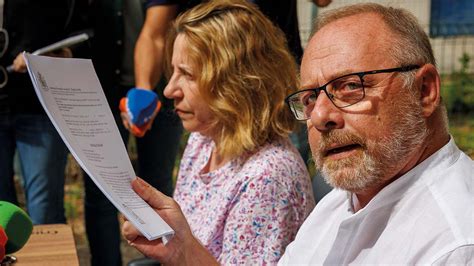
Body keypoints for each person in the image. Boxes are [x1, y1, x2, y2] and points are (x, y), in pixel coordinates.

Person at [122, 2, 474, 265]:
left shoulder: (454, 247)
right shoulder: (341, 200)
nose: (319, 116)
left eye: (351, 86)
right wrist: (183, 248)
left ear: (425, 90)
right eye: (309, 98)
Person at [128, 0, 315, 264]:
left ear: (236, 83)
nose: (169, 90)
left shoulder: (267, 177)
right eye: (173, 72)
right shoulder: (204, 140)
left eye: (187, 74)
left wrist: (179, 248)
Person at [83, 0, 184, 265]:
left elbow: (155, 33)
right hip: (100, 93)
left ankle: (165, 261)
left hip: (156, 95)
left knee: (158, 190)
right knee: (102, 192)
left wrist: (142, 96)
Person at [0, 0, 76, 225]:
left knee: (44, 211)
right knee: (2, 214)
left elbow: (81, 30)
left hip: (40, 104)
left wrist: (57, 55)